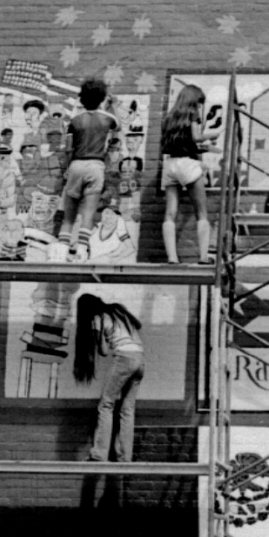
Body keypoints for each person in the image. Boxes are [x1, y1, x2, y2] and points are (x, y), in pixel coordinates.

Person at [73, 293, 144, 462]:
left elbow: (104, 352)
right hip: (140, 359)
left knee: (106, 404)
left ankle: (99, 454)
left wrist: (97, 334)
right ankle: (125, 457)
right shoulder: (118, 310)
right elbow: (138, 326)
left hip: (124, 358)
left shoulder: (97, 318)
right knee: (127, 409)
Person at [56, 79, 119, 263]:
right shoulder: (108, 118)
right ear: (101, 98)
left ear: (82, 98)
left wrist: (68, 168)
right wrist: (111, 105)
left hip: (76, 164)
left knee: (69, 217)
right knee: (88, 213)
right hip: (96, 166)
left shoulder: (75, 120)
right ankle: (81, 252)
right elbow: (119, 126)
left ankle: (61, 253)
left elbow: (68, 148)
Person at [161, 84, 221, 264]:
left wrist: (206, 148)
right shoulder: (193, 114)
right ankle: (203, 257)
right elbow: (195, 137)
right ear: (193, 101)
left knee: (170, 213)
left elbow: (181, 143)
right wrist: (212, 135)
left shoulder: (169, 117)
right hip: (188, 165)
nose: (200, 108)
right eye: (199, 103)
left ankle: (172, 257)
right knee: (201, 212)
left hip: (170, 165)